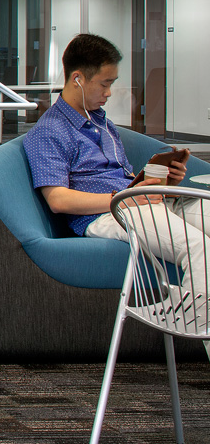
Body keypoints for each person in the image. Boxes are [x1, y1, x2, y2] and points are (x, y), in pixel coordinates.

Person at [24, 33, 205, 302]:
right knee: (198, 248)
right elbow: (58, 200)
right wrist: (123, 200)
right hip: (106, 215)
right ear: (78, 79)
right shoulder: (50, 131)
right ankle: (198, 333)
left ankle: (189, 310)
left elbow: (123, 177)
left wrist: (165, 184)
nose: (109, 93)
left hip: (136, 203)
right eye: (104, 83)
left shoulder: (100, 122)